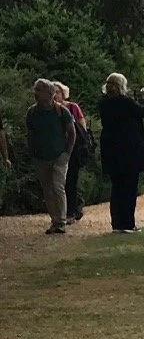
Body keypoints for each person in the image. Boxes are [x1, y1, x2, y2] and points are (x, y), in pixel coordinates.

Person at [98, 75, 144, 232]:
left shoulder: (104, 103)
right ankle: (127, 223)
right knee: (129, 188)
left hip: (111, 149)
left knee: (117, 188)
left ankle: (117, 223)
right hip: (128, 150)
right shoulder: (125, 102)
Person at [25, 79, 75, 234]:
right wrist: (33, 153)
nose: (36, 93)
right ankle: (55, 220)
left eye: (39, 90)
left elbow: (72, 133)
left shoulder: (61, 111)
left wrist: (67, 154)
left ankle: (61, 221)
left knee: (58, 187)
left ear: (49, 93)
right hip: (40, 157)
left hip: (59, 156)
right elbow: (30, 133)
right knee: (47, 190)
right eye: (36, 90)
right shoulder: (32, 112)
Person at [55, 84, 92, 222]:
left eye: (57, 92)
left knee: (71, 180)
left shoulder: (72, 107)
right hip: (58, 149)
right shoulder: (50, 110)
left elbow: (82, 128)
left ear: (63, 93)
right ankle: (66, 210)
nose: (55, 95)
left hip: (74, 149)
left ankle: (72, 211)